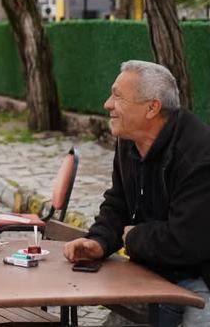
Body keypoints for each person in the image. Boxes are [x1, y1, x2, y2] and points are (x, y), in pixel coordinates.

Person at [62, 60, 210, 327]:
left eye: (117, 96)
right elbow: (118, 201)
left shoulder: (199, 155)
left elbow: (186, 242)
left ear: (152, 107)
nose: (107, 104)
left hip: (199, 274)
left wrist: (133, 237)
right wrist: (99, 241)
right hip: (152, 267)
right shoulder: (128, 141)